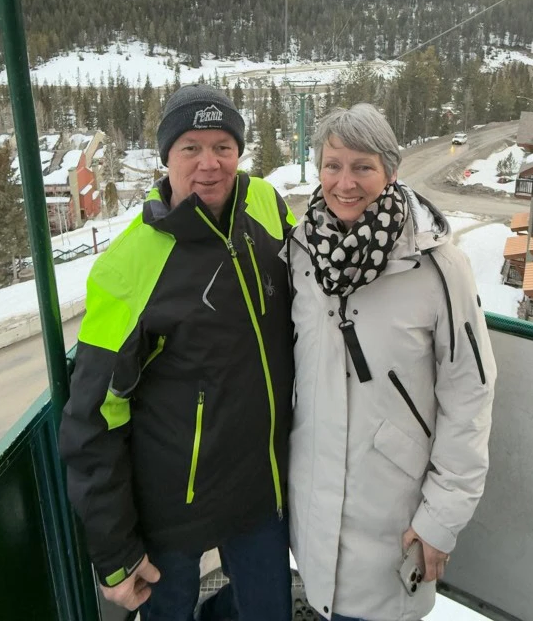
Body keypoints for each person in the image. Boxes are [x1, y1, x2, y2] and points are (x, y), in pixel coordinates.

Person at [60, 84, 296, 621]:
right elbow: (92, 419)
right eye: (191, 147)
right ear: (166, 158)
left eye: (223, 146)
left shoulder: (264, 204)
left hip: (260, 489)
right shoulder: (127, 268)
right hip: (172, 508)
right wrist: (117, 552)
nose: (209, 164)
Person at [286, 104, 496, 621]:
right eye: (333, 165)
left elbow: (470, 391)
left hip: (394, 514)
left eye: (363, 167)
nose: (345, 182)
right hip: (314, 508)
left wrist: (441, 518)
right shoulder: (301, 252)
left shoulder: (437, 265)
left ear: (391, 172)